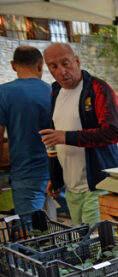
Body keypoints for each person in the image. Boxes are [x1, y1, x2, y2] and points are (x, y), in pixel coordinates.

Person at [40, 43, 118, 226]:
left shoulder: (98, 89)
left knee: (97, 243)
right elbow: (56, 138)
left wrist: (67, 137)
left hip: (98, 186)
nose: (62, 71)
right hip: (71, 188)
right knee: (82, 244)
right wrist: (55, 177)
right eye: (54, 66)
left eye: (66, 63)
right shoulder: (56, 91)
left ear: (76, 61)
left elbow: (114, 132)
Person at [0, 46, 50, 215]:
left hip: (25, 173)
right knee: (72, 229)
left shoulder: (3, 93)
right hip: (60, 171)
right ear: (40, 65)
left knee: (31, 234)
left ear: (13, 65)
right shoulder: (54, 91)